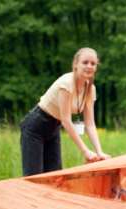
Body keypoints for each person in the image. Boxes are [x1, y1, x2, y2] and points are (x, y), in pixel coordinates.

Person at [20, 47, 110, 176]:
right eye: (85, 62)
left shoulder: (91, 89)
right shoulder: (66, 83)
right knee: (34, 178)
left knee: (55, 176)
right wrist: (85, 151)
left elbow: (90, 124)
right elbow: (66, 120)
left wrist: (99, 152)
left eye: (93, 63)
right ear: (75, 64)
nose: (89, 66)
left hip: (53, 128)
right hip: (35, 127)